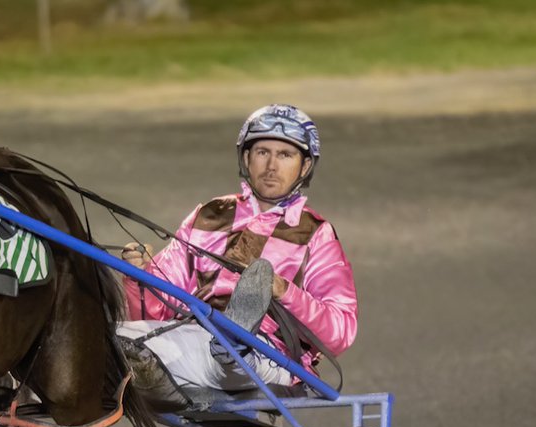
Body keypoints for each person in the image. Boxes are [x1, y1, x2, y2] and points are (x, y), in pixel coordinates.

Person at [118, 104, 358, 404]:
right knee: (122, 337)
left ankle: (235, 344)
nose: (271, 166)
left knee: (224, 350)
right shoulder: (208, 215)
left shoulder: (316, 234)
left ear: (305, 167)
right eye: (262, 153)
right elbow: (157, 312)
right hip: (195, 340)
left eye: (285, 155)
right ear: (246, 158)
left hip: (272, 355)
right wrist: (139, 278)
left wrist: (283, 291)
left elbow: (340, 332)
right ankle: (226, 344)